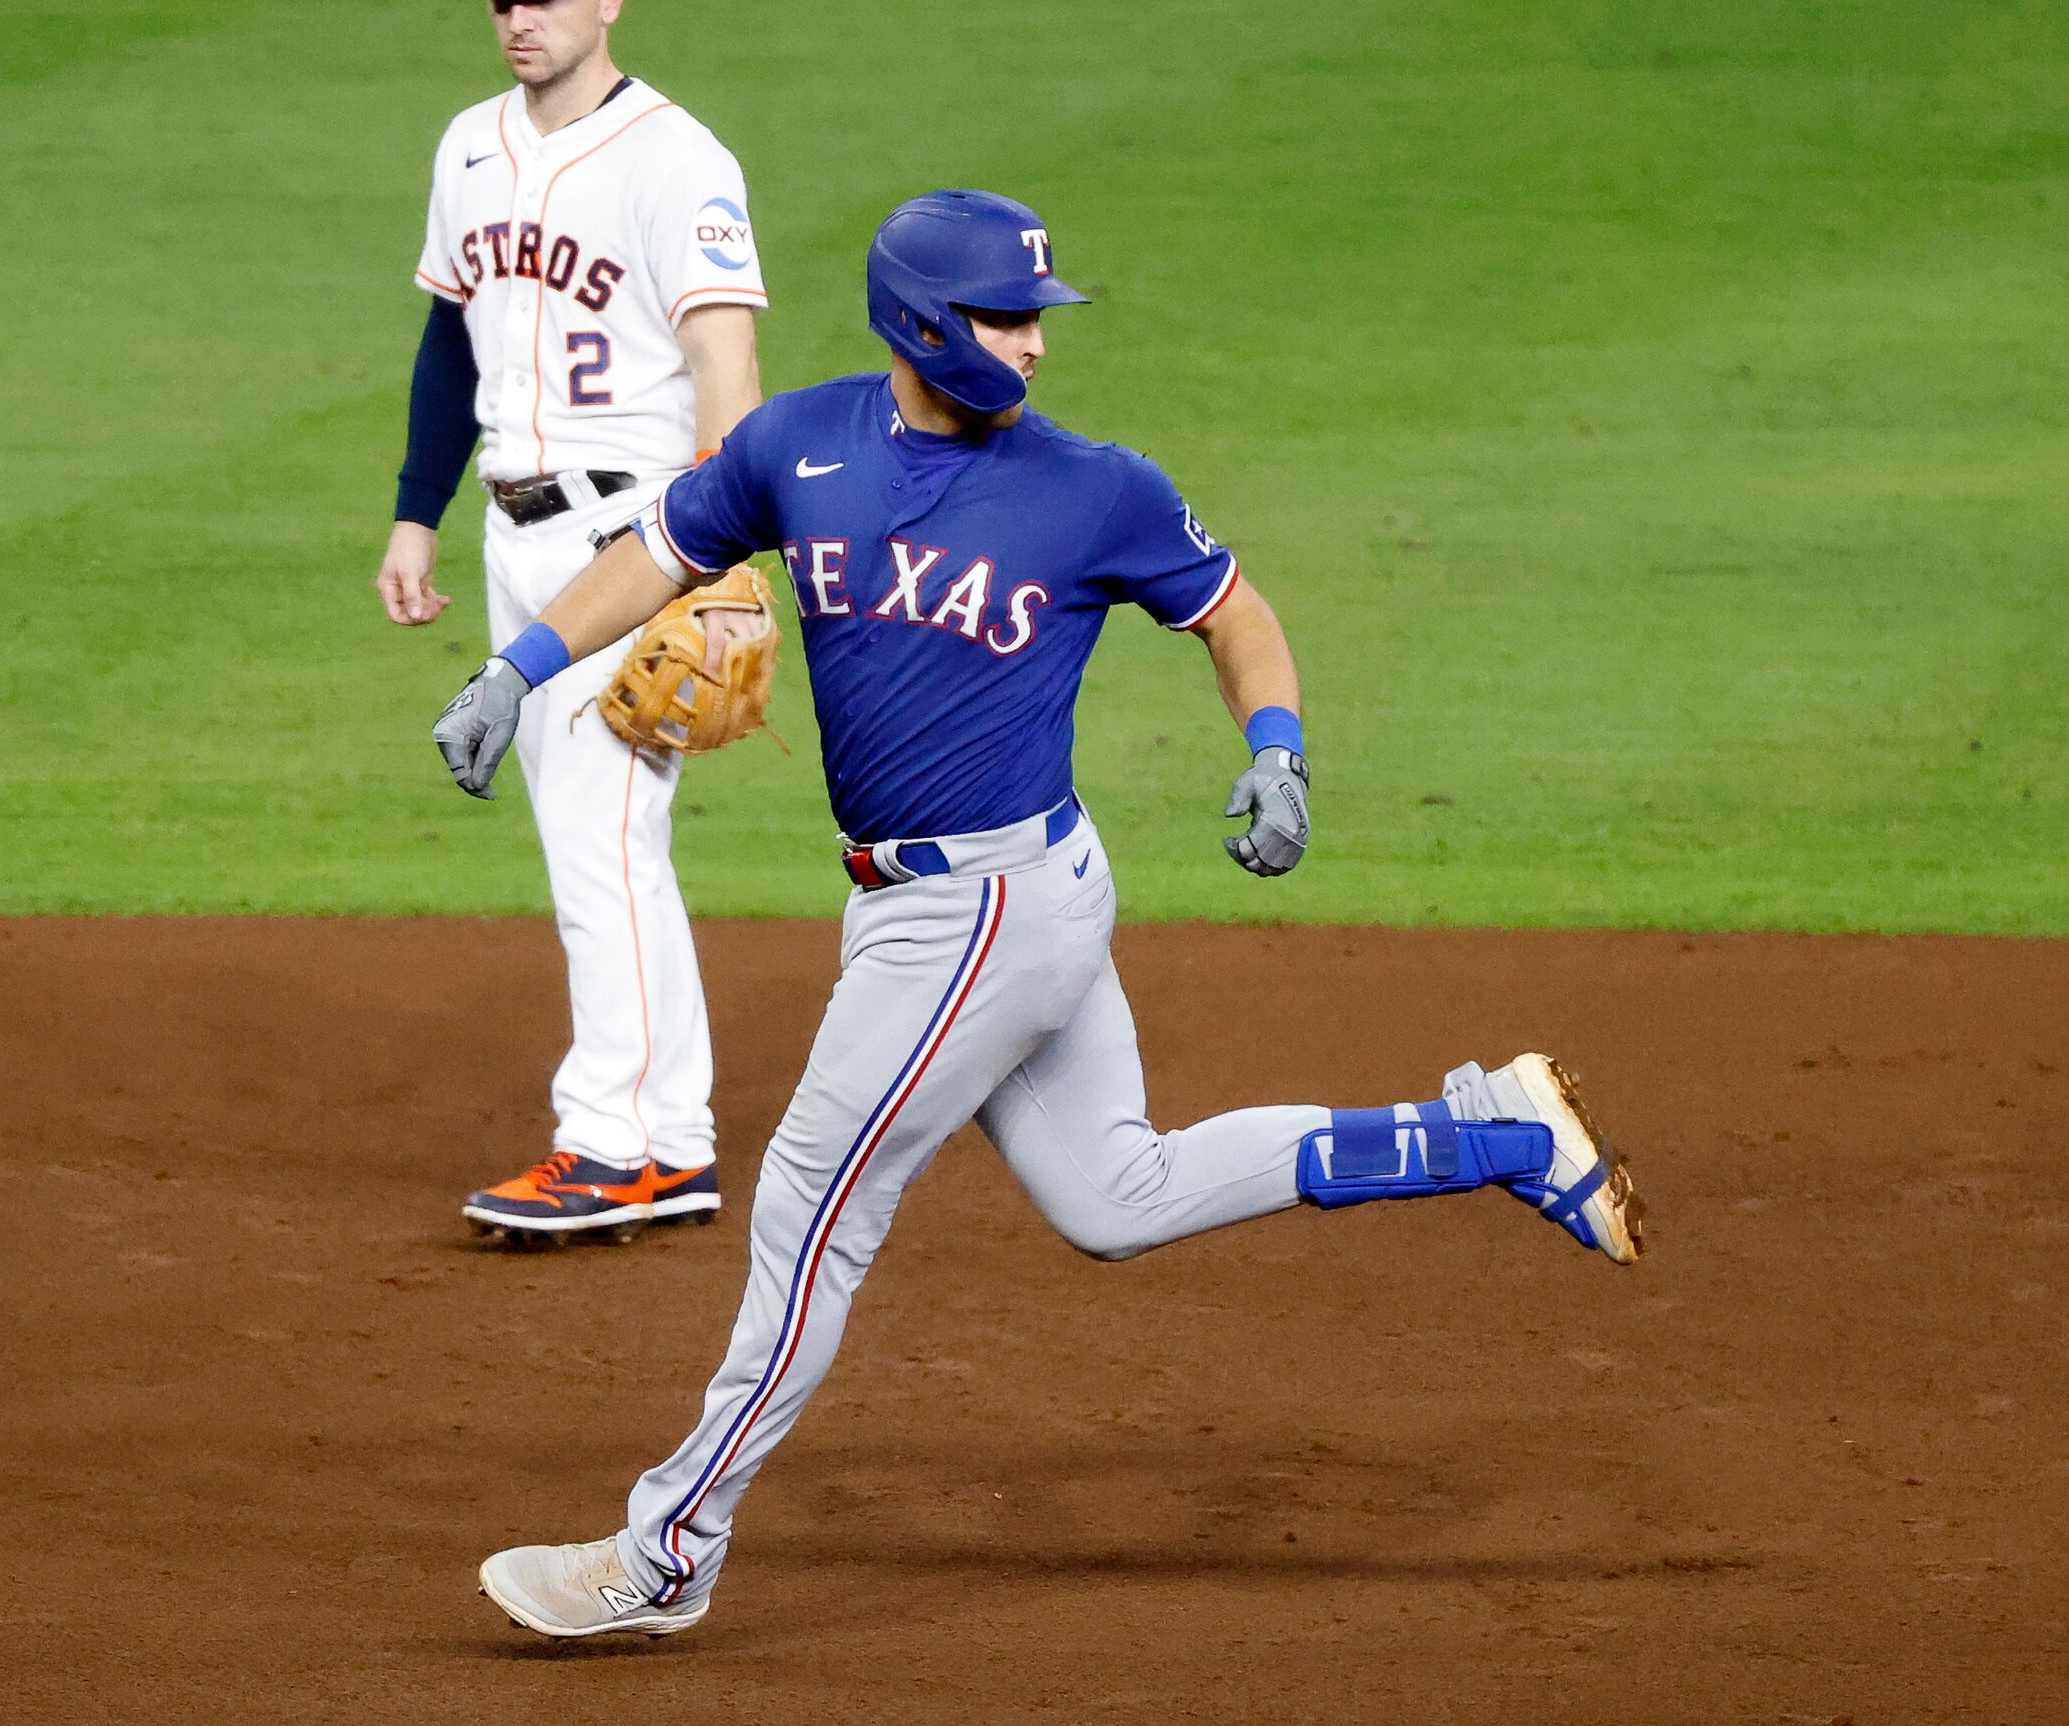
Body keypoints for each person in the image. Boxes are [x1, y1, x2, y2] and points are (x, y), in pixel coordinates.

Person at [432, 189, 1647, 1637]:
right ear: (923, 327)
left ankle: (670, 1545)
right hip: (967, 906)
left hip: (991, 910)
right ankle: (1495, 1128)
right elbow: (670, 547)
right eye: (1011, 319)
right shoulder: (795, 445)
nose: (1036, 346)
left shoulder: (1097, 487)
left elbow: (1236, 612)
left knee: (812, 1201)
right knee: (1114, 1194)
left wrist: (1277, 748)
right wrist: (523, 661)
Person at [379, 0, 767, 1241]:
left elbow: (727, 357)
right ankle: (673, 1138)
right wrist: (416, 511)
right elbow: (449, 339)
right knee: (601, 844)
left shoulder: (679, 158)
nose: (518, 17)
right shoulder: (468, 148)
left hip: (638, 533)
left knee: (603, 843)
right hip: (508, 528)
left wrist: (719, 558)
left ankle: (614, 1143)